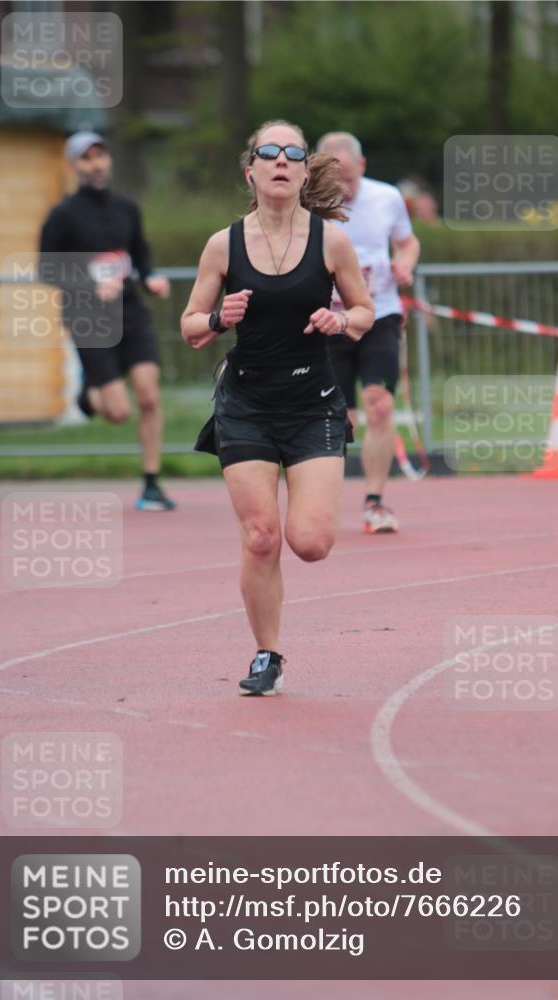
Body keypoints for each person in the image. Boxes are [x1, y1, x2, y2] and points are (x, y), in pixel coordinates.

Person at [181, 120, 374, 696]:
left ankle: (273, 639)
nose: (282, 161)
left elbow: (365, 312)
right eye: (270, 153)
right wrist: (220, 319)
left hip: (312, 404)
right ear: (253, 171)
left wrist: (340, 319)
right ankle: (268, 653)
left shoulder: (330, 242)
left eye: (294, 153)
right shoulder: (224, 244)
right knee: (261, 535)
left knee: (310, 543)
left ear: (302, 169)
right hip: (245, 405)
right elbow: (191, 325)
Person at [39, 131, 176, 511]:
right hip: (88, 317)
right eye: (87, 158)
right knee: (118, 412)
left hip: (131, 312)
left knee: (149, 394)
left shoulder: (126, 207)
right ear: (74, 166)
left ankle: (151, 484)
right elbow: (46, 268)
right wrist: (88, 285)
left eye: (101, 155)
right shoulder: (63, 214)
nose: (96, 163)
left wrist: (151, 278)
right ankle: (89, 394)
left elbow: (141, 255)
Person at [316, 132, 421, 533]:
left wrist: (404, 264)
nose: (341, 186)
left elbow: (408, 242)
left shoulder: (386, 197)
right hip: (329, 320)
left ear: (362, 166)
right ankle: (321, 500)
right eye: (332, 176)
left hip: (380, 314)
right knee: (338, 416)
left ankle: (375, 501)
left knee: (379, 404)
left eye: (347, 175)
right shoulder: (308, 207)